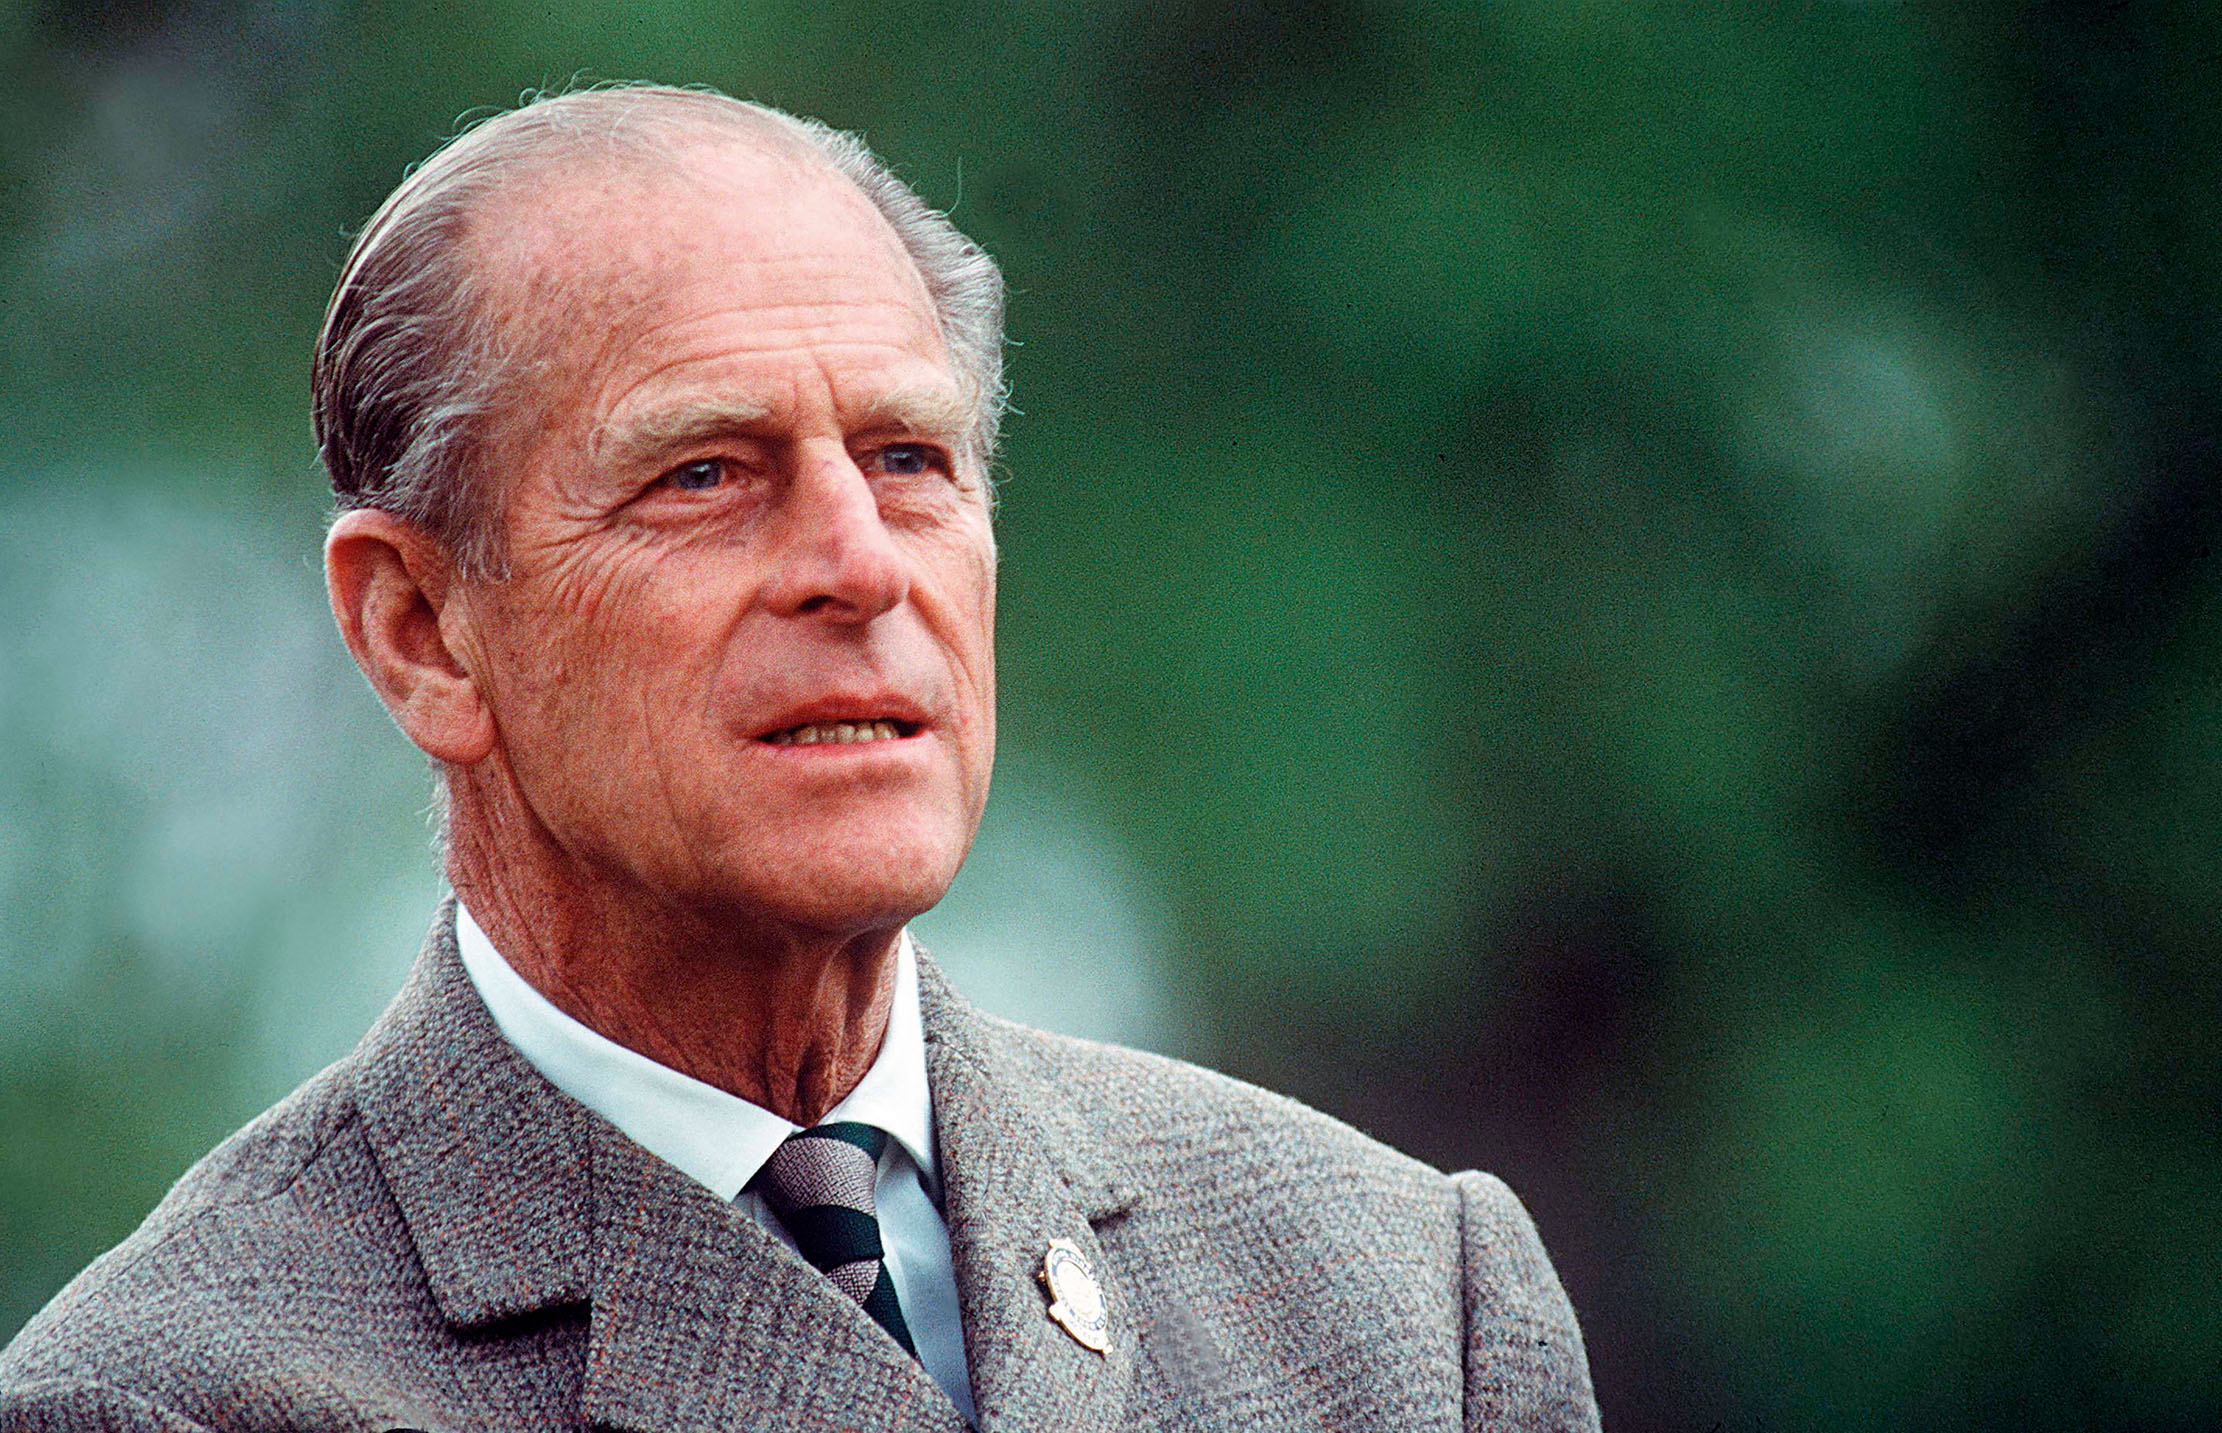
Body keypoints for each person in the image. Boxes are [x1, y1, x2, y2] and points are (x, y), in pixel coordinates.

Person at [0, 85, 1600, 1432]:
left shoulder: (1396, 1299)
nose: (859, 564)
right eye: (704, 473)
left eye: (910, 460)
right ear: (422, 631)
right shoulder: (189, 1396)